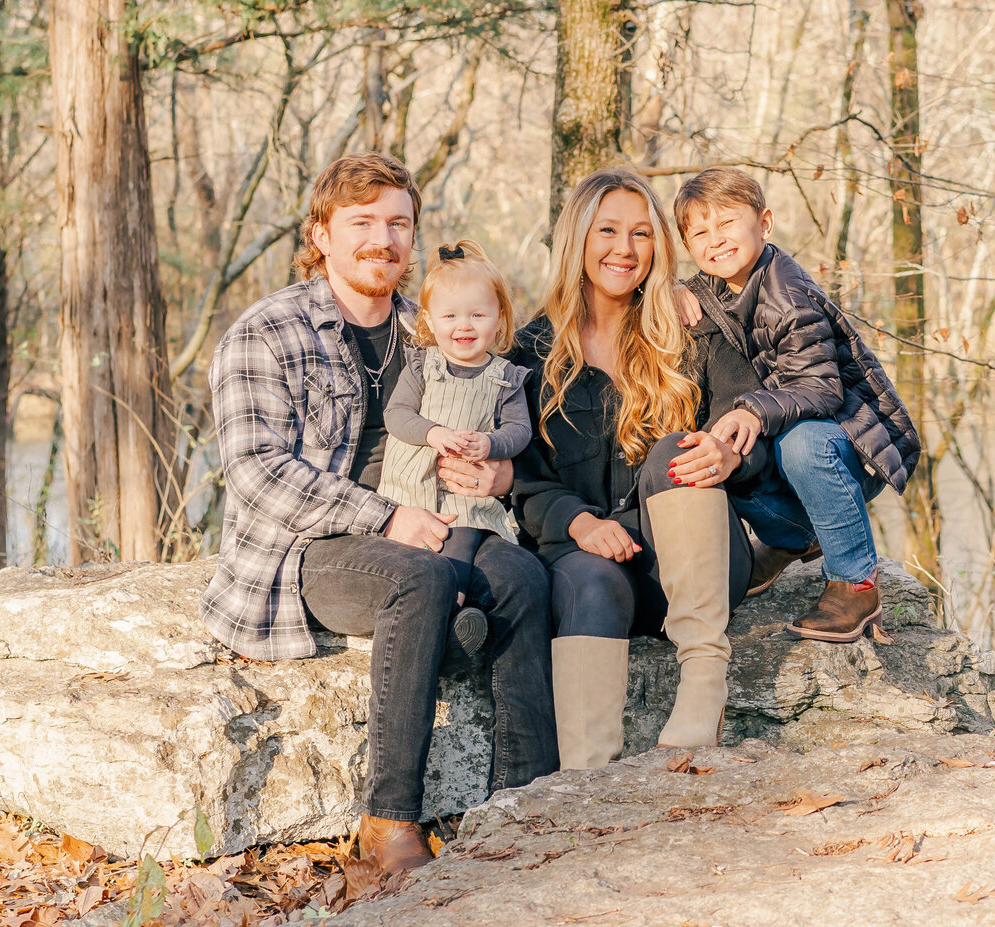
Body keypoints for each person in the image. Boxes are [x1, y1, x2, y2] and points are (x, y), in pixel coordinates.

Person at [200, 152, 557, 874]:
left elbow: (498, 423)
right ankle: (390, 816)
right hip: (310, 548)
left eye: (399, 223)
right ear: (321, 234)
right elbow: (257, 472)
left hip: (438, 519)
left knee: (521, 574)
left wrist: (497, 469)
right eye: (362, 222)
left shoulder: (428, 330)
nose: (383, 239)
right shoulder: (265, 332)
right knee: (419, 580)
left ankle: (520, 804)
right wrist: (386, 517)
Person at [512, 168, 768, 769]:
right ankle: (587, 782)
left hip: (695, 561)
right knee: (585, 579)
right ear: (577, 239)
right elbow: (520, 475)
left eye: (641, 234)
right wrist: (576, 523)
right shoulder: (530, 352)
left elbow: (750, 423)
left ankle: (705, 676)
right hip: (597, 567)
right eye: (607, 231)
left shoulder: (691, 329)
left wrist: (730, 452)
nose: (624, 250)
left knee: (675, 448)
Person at [673, 166, 920, 643]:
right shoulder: (717, 283)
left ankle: (856, 583)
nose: (715, 240)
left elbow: (823, 389)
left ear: (764, 224)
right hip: (789, 437)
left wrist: (752, 409)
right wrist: (672, 286)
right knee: (718, 455)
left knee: (799, 442)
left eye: (727, 223)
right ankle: (794, 535)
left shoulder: (788, 295)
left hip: (847, 443)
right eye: (700, 232)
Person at [377, 240, 531, 673]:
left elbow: (520, 431)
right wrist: (434, 433)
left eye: (478, 315)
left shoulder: (506, 379)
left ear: (499, 318)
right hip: (413, 486)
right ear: (428, 320)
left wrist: (492, 444)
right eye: (450, 316)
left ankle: (455, 617)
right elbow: (397, 416)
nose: (464, 326)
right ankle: (446, 622)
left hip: (464, 498)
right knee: (416, 559)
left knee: (458, 544)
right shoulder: (422, 368)